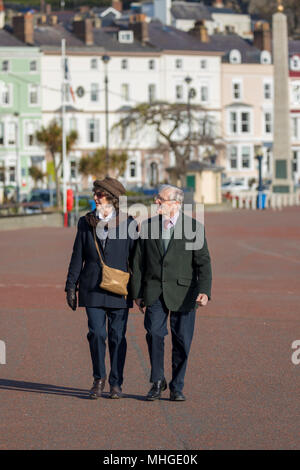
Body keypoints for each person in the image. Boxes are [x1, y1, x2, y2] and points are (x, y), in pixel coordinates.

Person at [131, 184, 212, 402]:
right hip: (155, 291)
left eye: (160, 199)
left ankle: (177, 386)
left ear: (175, 204)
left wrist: (204, 291)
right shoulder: (147, 226)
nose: (156, 202)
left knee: (182, 341)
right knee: (154, 334)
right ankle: (157, 381)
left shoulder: (193, 227)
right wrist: (137, 292)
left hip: (185, 293)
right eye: (156, 198)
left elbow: (203, 262)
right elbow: (138, 262)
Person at [65, 177, 137, 399]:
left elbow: (136, 260)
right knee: (96, 334)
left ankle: (116, 382)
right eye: (95, 194)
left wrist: (140, 292)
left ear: (112, 199)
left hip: (119, 288)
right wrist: (70, 286)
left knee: (117, 336)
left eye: (100, 194)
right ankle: (99, 378)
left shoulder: (129, 222)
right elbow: (78, 255)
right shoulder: (85, 222)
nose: (96, 198)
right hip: (92, 287)